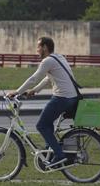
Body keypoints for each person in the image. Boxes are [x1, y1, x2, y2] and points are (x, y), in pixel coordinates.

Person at [5, 36, 79, 168]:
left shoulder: (47, 61)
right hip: (72, 98)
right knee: (47, 123)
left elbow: (33, 78)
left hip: (62, 98)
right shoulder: (59, 57)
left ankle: (59, 155)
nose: (37, 49)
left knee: (41, 125)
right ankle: (51, 153)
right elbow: (47, 78)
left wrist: (17, 92)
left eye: (38, 46)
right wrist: (34, 90)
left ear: (45, 47)